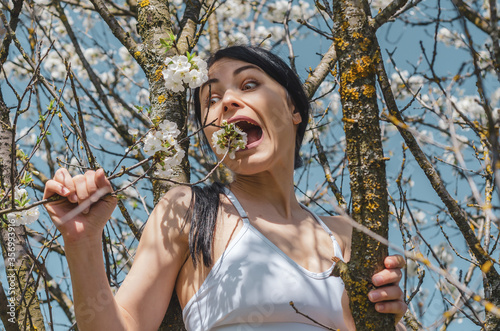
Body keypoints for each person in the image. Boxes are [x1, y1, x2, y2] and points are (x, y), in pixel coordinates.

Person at [43, 45, 407, 330]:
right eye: (211, 100)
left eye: (249, 84)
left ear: (293, 108)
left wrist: (388, 316)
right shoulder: (188, 208)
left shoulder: (345, 234)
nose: (227, 102)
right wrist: (82, 241)